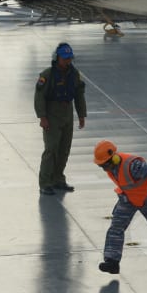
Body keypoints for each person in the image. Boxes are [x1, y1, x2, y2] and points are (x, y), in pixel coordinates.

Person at [93, 140, 147, 274]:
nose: (103, 168)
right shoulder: (111, 166)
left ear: (113, 158)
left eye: (104, 164)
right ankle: (112, 262)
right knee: (116, 227)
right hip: (128, 199)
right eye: (100, 165)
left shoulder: (133, 165)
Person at [35, 42, 87, 195]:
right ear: (57, 58)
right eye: (64, 58)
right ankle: (45, 182)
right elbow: (39, 98)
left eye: (69, 58)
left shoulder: (74, 74)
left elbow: (79, 95)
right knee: (51, 149)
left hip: (67, 113)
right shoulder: (47, 75)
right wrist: (42, 117)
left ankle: (58, 179)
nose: (67, 61)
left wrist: (81, 114)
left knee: (64, 149)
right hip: (52, 113)